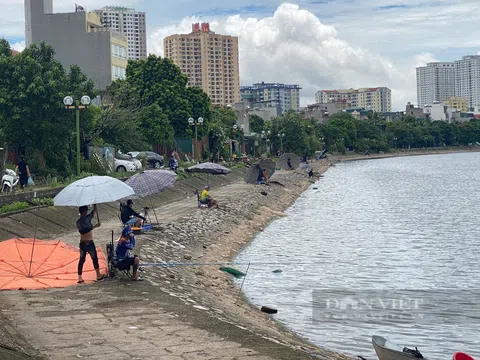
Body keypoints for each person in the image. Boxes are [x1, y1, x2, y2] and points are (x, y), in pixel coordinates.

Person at [76, 205, 106, 283]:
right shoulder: (87, 218)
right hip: (89, 243)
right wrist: (95, 226)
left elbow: (83, 230)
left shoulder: (78, 222)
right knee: (94, 259)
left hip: (82, 243)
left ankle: (79, 277)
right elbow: (93, 212)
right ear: (85, 212)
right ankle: (98, 275)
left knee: (82, 260)